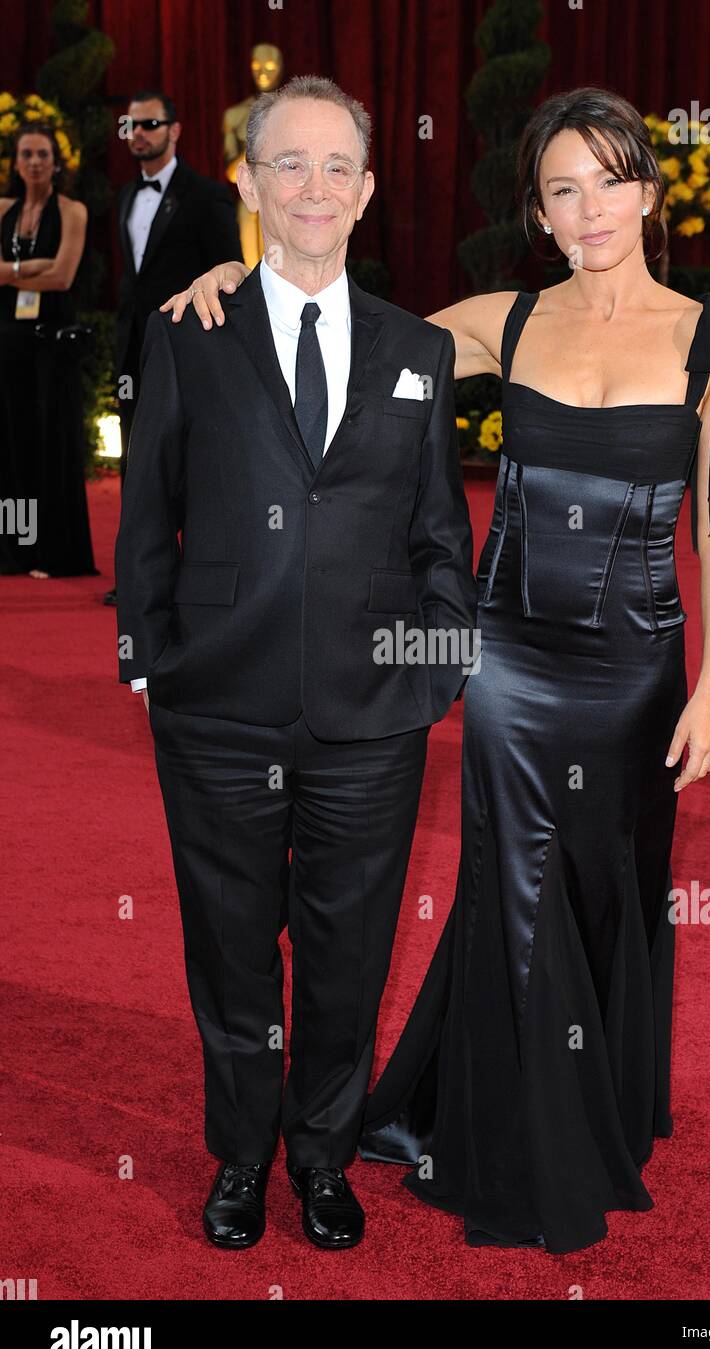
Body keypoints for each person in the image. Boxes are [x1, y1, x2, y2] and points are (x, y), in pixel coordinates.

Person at [163, 85, 710, 1254]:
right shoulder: (504, 324)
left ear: (649, 189)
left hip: (640, 667)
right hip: (507, 668)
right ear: (538, 212)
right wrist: (242, 283)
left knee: (609, 885)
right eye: (561, 191)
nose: (589, 212)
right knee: (517, 892)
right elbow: (331, 329)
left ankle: (599, 1094)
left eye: (609, 183)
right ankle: (519, 1133)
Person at [114, 74, 476, 1253]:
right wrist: (148, 658)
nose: (312, 187)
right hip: (216, 705)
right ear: (252, 184)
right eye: (289, 164)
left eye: (336, 167)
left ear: (366, 191)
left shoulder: (418, 350)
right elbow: (146, 508)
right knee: (227, 951)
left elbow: (440, 533)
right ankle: (241, 1154)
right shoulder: (187, 329)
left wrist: (436, 671)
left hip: (374, 716)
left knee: (346, 951)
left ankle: (322, 1157)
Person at [103, 90, 243, 604]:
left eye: (150, 124)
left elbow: (230, 271)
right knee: (136, 463)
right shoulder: (122, 196)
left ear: (175, 130)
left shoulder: (205, 195)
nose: (138, 134)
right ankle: (140, 578)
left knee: (191, 463)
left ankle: (200, 574)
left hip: (191, 349)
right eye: (131, 126)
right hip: (134, 352)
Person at [0, 122, 97, 578]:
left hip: (54, 342)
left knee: (52, 442)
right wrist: (35, 265)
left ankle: (57, 554)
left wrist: (10, 269)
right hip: (8, 340)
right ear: (15, 163)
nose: (35, 161)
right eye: (27, 154)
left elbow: (62, 276)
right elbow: (45, 268)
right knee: (12, 445)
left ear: (56, 162)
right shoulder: (2, 208)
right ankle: (18, 549)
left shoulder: (73, 210)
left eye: (42, 153)